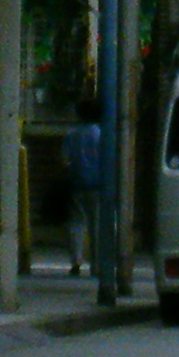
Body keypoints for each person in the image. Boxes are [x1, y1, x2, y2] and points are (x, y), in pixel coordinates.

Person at [63, 96, 107, 276]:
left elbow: (64, 159)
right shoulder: (101, 133)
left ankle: (76, 261)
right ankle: (96, 265)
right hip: (98, 184)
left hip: (76, 182)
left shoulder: (72, 134)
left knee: (76, 223)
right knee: (96, 225)